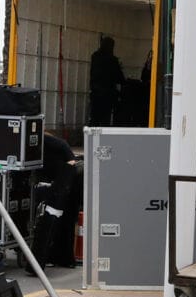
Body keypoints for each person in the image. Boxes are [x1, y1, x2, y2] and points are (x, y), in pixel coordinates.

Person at [28, 134, 81, 274]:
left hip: (65, 181)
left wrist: (67, 169)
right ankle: (54, 257)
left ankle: (62, 257)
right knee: (55, 220)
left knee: (61, 220)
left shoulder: (45, 139)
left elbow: (68, 154)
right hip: (57, 181)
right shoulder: (35, 145)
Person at [89, 35, 125, 126]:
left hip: (95, 94)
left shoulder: (95, 56)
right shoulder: (112, 60)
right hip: (107, 95)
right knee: (105, 120)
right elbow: (120, 78)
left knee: (94, 120)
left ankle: (92, 139)